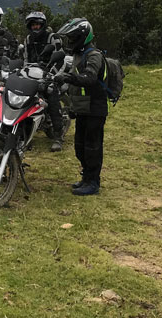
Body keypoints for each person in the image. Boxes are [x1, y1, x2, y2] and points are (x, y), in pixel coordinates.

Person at [54, 17, 108, 196]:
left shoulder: (94, 55)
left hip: (95, 108)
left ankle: (93, 182)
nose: (70, 41)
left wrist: (68, 78)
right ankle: (86, 177)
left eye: (73, 37)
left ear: (83, 37)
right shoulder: (77, 55)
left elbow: (90, 78)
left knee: (93, 146)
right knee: (80, 146)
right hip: (83, 108)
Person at [24, 11, 65, 152]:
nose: (35, 27)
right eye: (33, 25)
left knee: (52, 96)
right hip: (33, 75)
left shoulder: (53, 38)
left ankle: (58, 137)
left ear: (43, 25)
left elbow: (61, 60)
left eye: (38, 24)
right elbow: (25, 61)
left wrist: (51, 75)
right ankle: (24, 135)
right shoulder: (28, 40)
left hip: (50, 74)